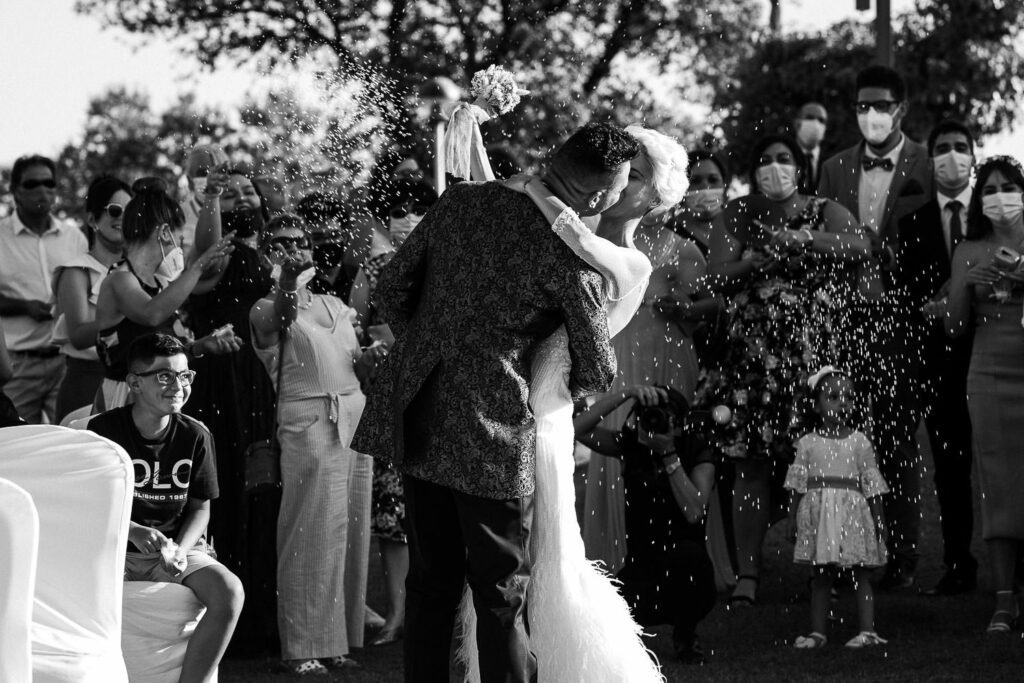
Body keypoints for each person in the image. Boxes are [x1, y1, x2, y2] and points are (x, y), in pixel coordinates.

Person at [352, 122, 635, 683]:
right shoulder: (565, 247)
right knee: (502, 592)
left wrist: (435, 345)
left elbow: (390, 292)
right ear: (601, 195)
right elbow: (598, 367)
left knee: (429, 583)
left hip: (420, 407)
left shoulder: (459, 202)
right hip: (495, 428)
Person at [698, 134, 869, 607]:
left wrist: (806, 239)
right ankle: (749, 573)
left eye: (784, 159)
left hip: (813, 354)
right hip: (754, 356)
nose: (775, 168)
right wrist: (749, 264)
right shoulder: (736, 213)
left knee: (823, 459)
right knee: (751, 462)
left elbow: (860, 247)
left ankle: (833, 560)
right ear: (752, 171)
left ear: (799, 167)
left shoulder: (823, 209)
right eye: (766, 161)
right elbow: (712, 276)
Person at [817, 65, 934, 590]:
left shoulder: (927, 165)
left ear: (901, 110)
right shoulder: (835, 167)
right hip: (848, 316)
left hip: (904, 319)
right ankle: (846, 552)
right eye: (863, 106)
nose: (871, 115)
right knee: (844, 435)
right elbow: (822, 237)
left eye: (881, 105)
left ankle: (904, 555)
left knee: (899, 440)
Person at [250, 214, 377, 675]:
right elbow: (280, 318)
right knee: (308, 531)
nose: (294, 249)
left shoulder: (334, 303)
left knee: (349, 529)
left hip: (354, 418)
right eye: (281, 243)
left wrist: (371, 361)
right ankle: (303, 645)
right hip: (308, 420)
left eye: (300, 240)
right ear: (268, 253)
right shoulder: (266, 306)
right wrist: (286, 281)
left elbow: (354, 363)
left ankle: (339, 639)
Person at [88, 333, 244, 681]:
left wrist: (179, 551)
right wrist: (131, 529)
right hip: (114, 548)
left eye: (184, 376)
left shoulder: (196, 434)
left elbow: (200, 509)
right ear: (134, 383)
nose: (177, 385)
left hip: (177, 548)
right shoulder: (103, 431)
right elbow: (89, 503)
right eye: (164, 375)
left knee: (230, 592)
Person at [184, 164, 279, 650]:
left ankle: (260, 615)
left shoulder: (266, 252)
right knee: (223, 489)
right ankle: (219, 614)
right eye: (232, 193)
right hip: (217, 376)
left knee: (260, 488)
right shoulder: (217, 251)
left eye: (249, 192)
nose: (243, 199)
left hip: (255, 376)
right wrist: (212, 197)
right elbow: (205, 256)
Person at [347, 177, 437, 648]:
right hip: (391, 396)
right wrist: (372, 350)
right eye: (399, 209)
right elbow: (355, 330)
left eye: (419, 208)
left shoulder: (450, 264)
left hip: (442, 399)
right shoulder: (374, 268)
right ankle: (399, 610)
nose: (408, 217)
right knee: (392, 508)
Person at [574, 385, 717, 663]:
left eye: (663, 415)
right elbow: (577, 430)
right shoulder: (631, 447)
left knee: (689, 558)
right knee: (605, 610)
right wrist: (626, 394)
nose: (655, 421)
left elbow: (694, 512)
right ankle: (632, 638)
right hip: (642, 566)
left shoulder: (696, 451)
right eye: (648, 415)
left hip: (687, 570)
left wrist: (668, 455)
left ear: (679, 421)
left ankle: (685, 634)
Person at [897, 119, 977, 596]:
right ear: (931, 160)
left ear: (973, 153)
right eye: (943, 149)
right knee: (950, 467)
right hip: (938, 362)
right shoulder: (915, 223)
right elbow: (908, 295)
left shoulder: (993, 218)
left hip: (996, 353)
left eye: (960, 148)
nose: (952, 156)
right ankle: (958, 561)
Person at [944, 155, 1024, 633]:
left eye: (1008, 186)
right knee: (997, 479)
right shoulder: (969, 249)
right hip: (989, 373)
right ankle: (1002, 598)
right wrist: (966, 285)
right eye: (990, 189)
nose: (999, 196)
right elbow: (954, 328)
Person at [94, 186, 237, 411]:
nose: (179, 247)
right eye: (179, 240)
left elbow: (160, 354)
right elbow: (151, 314)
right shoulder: (118, 281)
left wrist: (201, 345)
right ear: (164, 234)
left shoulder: (161, 284)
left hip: (161, 400)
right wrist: (199, 266)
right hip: (123, 402)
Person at [786, 366, 889, 649]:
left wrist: (879, 519)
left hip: (852, 515)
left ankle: (867, 630)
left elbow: (872, 484)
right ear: (816, 405)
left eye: (849, 397)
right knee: (821, 575)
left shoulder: (860, 442)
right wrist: (793, 517)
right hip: (822, 517)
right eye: (833, 396)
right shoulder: (807, 443)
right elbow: (798, 483)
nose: (843, 403)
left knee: (860, 572)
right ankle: (818, 632)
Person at [0, 154, 87, 423]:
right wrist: (23, 306)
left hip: (67, 362)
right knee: (17, 447)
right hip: (16, 365)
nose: (42, 190)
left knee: (75, 441)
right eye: (32, 184)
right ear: (15, 191)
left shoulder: (73, 237)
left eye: (49, 183)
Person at [52, 176, 132, 421]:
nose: (122, 218)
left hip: (131, 382)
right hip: (87, 380)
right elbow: (77, 336)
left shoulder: (137, 269)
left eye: (129, 211)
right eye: (114, 210)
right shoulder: (77, 270)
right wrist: (130, 313)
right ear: (91, 219)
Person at [180, 144, 230, 252]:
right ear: (189, 182)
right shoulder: (178, 218)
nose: (213, 178)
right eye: (205, 173)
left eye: (219, 171)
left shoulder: (238, 210)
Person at [794, 102, 828, 194]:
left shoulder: (832, 162)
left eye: (821, 120)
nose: (816, 124)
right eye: (810, 117)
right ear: (797, 124)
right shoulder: (784, 158)